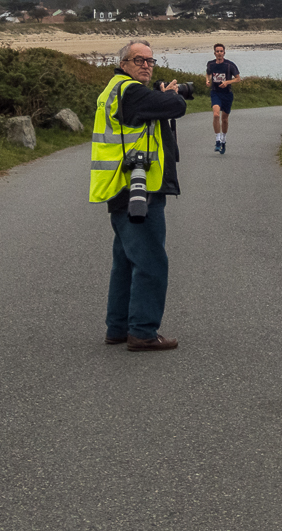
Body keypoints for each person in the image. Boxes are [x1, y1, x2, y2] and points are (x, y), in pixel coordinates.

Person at [89, 40, 188, 351]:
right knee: (150, 262)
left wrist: (159, 96)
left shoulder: (116, 91)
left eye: (150, 60)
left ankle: (117, 328)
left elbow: (153, 109)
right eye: (138, 60)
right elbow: (176, 107)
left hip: (121, 187)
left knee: (126, 261)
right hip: (136, 188)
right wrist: (170, 95)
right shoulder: (129, 91)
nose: (146, 65)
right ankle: (143, 331)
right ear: (124, 64)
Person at [205, 43, 240, 154]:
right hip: (215, 93)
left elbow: (238, 79)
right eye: (217, 51)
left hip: (227, 94)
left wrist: (227, 82)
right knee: (216, 115)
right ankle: (217, 140)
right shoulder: (210, 64)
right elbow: (208, 73)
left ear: (224, 53)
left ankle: (224, 140)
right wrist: (207, 80)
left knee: (224, 119)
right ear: (214, 53)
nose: (219, 53)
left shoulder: (229, 65)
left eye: (221, 51)